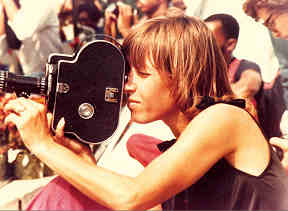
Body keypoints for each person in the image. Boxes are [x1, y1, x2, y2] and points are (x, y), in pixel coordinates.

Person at [3, 13, 288, 210]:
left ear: (181, 74)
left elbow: (130, 197)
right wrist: (85, 164)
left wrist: (42, 144)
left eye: (141, 74)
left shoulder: (224, 118)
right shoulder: (183, 143)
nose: (126, 87)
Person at [204, 13, 262, 112]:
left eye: (209, 40)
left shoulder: (245, 67)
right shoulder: (201, 73)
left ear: (230, 44)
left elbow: (248, 87)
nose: (202, 44)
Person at [0, 0, 66, 77]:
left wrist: (7, 1)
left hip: (48, 75)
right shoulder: (13, 6)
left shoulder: (41, 3)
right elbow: (4, 57)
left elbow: (22, 30)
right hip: (26, 74)